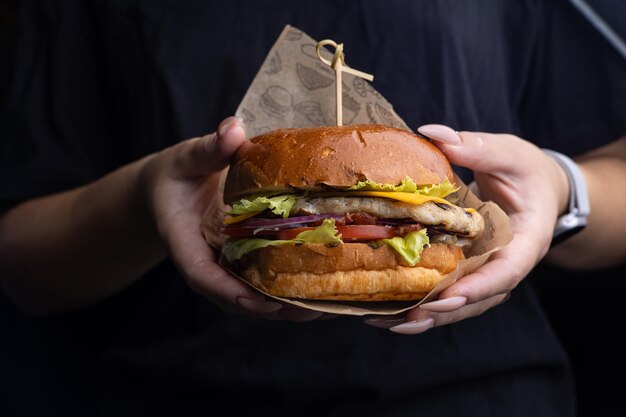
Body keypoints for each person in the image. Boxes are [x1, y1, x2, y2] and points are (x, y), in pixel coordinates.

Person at [1, 1, 624, 416]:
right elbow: (21, 266)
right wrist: (143, 195)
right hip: (171, 393)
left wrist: (563, 188)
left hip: (485, 396)